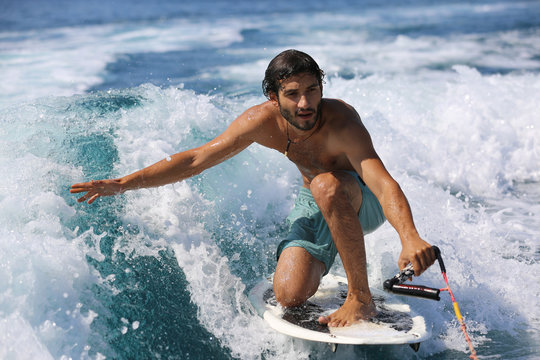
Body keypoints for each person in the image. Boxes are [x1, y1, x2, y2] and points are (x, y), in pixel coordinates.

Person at [70, 49, 436, 327]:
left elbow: (383, 183)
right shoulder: (260, 123)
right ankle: (331, 257)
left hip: (361, 199)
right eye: (293, 94)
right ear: (273, 98)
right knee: (289, 295)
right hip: (316, 200)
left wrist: (409, 236)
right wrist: (122, 184)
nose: (306, 103)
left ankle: (361, 297)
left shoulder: (342, 122)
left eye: (312, 90)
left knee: (328, 185)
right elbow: (197, 159)